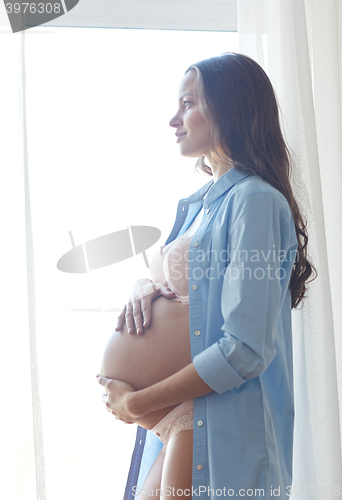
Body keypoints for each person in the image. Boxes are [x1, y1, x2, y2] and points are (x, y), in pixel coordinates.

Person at [96, 52, 317, 500]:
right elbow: (185, 290)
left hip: (218, 423)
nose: (173, 119)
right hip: (182, 417)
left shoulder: (255, 200)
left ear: (230, 108)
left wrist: (139, 400)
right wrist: (144, 287)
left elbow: (245, 349)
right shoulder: (203, 204)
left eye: (189, 104)